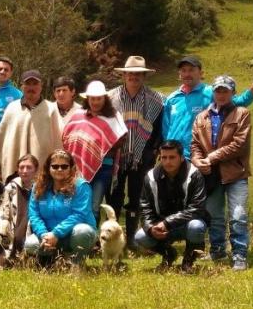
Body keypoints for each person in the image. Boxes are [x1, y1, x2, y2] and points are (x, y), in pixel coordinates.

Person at [190, 75, 252, 270]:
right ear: (213, 92)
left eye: (226, 90)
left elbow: (239, 145)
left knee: (238, 215)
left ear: (233, 93)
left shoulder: (242, 113)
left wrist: (211, 158)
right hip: (210, 175)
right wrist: (198, 161)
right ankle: (217, 251)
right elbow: (195, 145)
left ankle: (240, 255)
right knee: (215, 216)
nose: (221, 94)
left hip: (236, 173)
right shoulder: (202, 117)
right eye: (218, 90)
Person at [107, 55, 165, 251]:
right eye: (130, 73)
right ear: (124, 75)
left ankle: (131, 238)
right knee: (114, 196)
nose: (134, 77)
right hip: (116, 155)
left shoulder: (155, 99)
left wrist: (154, 149)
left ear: (144, 76)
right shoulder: (110, 97)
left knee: (137, 197)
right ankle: (114, 236)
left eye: (138, 74)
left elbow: (158, 127)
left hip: (143, 156)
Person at [135, 140, 210, 273]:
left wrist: (167, 223)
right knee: (140, 237)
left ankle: (188, 261)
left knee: (196, 227)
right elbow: (144, 207)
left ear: (181, 158)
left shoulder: (194, 174)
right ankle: (169, 254)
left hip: (186, 224)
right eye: (164, 157)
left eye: (172, 157)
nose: (167, 161)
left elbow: (197, 208)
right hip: (161, 228)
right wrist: (151, 228)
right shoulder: (151, 176)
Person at [162, 55, 253, 160]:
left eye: (191, 70)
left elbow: (237, 103)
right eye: (183, 71)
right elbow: (165, 127)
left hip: (197, 155)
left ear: (201, 73)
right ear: (179, 74)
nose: (187, 74)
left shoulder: (211, 92)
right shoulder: (172, 98)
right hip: (173, 156)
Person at [62, 81, 126, 221]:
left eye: (99, 99)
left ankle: (92, 239)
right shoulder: (79, 115)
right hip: (78, 168)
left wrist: (100, 145)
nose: (96, 102)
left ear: (105, 99)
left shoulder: (113, 116)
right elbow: (67, 137)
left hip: (104, 168)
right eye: (92, 99)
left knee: (94, 207)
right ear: (87, 99)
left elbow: (121, 138)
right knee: (76, 204)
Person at [0, 70, 65, 181]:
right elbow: (1, 139)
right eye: (28, 84)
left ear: (41, 86)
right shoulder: (12, 108)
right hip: (14, 167)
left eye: (35, 84)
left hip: (42, 166)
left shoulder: (51, 109)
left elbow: (58, 140)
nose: (31, 87)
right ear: (22, 86)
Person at [27, 149, 96, 270]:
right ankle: (53, 260)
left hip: (73, 236)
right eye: (55, 166)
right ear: (48, 168)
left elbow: (79, 215)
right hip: (48, 236)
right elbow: (34, 215)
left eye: (64, 166)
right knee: (30, 245)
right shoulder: (38, 187)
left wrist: (56, 233)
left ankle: (77, 264)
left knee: (82, 231)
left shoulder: (81, 186)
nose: (59, 169)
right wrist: (44, 234)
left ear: (71, 168)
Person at [0, 154, 41, 266]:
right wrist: (4, 223)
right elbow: (2, 209)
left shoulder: (41, 188)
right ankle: (5, 259)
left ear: (36, 170)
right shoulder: (11, 187)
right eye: (21, 167)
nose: (24, 171)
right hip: (13, 223)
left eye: (29, 167)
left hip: (34, 224)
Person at [0, 57, 22, 131]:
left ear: (11, 73)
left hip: (5, 137)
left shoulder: (18, 95)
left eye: (6, 70)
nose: (2, 72)